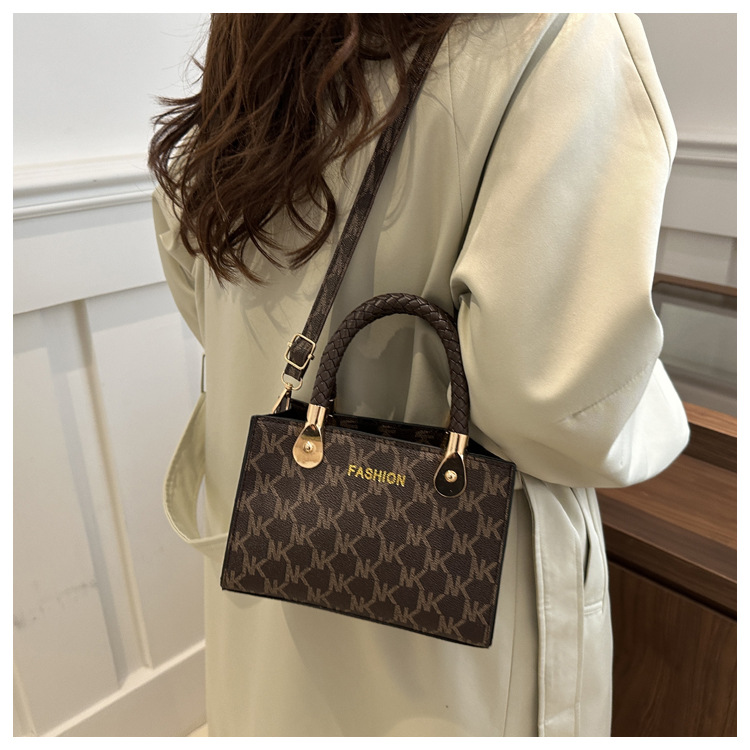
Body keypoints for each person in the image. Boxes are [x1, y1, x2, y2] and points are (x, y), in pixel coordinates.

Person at [149, 13, 689, 737]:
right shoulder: (561, 30)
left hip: (270, 569)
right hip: (453, 650)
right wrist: (656, 412)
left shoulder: (253, 40)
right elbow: (557, 408)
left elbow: (200, 286)